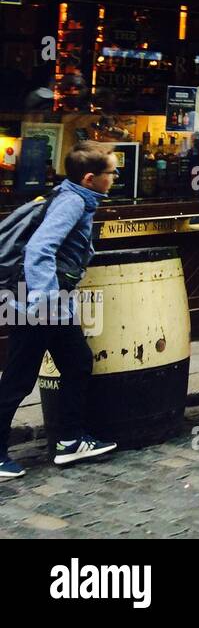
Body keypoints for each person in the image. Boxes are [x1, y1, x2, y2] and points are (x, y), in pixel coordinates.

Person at [0, 142, 120, 479]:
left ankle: (69, 440)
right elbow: (40, 249)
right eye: (110, 172)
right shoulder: (72, 201)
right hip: (39, 304)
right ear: (89, 178)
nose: (114, 177)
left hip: (52, 304)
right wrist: (45, 301)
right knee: (18, 379)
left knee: (77, 362)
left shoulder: (74, 196)